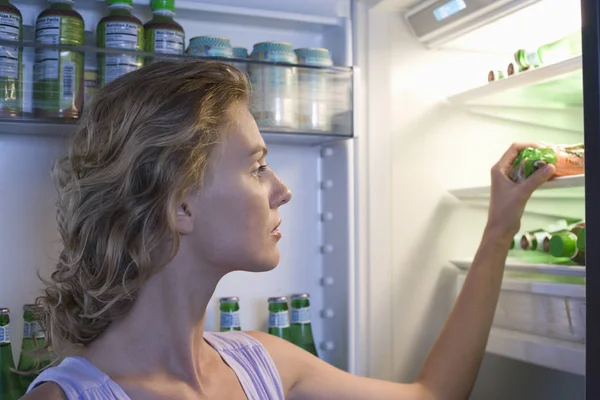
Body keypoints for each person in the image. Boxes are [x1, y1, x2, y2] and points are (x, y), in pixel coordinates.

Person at [22, 59, 555, 400]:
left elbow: (432, 395)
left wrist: (498, 230)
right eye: (256, 167)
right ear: (181, 206)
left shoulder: (260, 363)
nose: (281, 189)